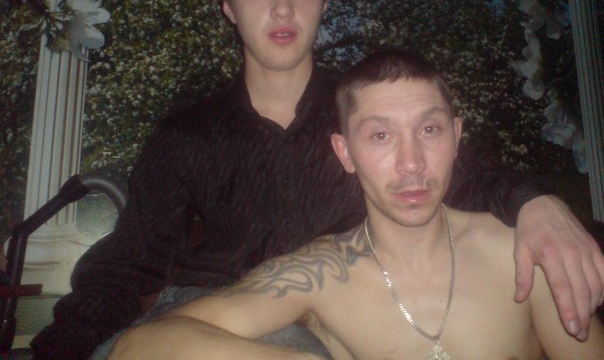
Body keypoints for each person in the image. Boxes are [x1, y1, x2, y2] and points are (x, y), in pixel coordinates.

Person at [32, 0, 604, 359]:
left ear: (323, 3)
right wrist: (64, 348)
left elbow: (461, 175)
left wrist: (539, 204)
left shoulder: (369, 119)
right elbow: (125, 267)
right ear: (228, 6)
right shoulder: (186, 134)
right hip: (205, 316)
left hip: (319, 322)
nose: (283, 9)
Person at [110, 49, 604, 360]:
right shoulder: (321, 275)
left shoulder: (523, 254)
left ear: (456, 138)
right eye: (381, 136)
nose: (411, 162)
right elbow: (139, 347)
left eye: (429, 130)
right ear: (345, 153)